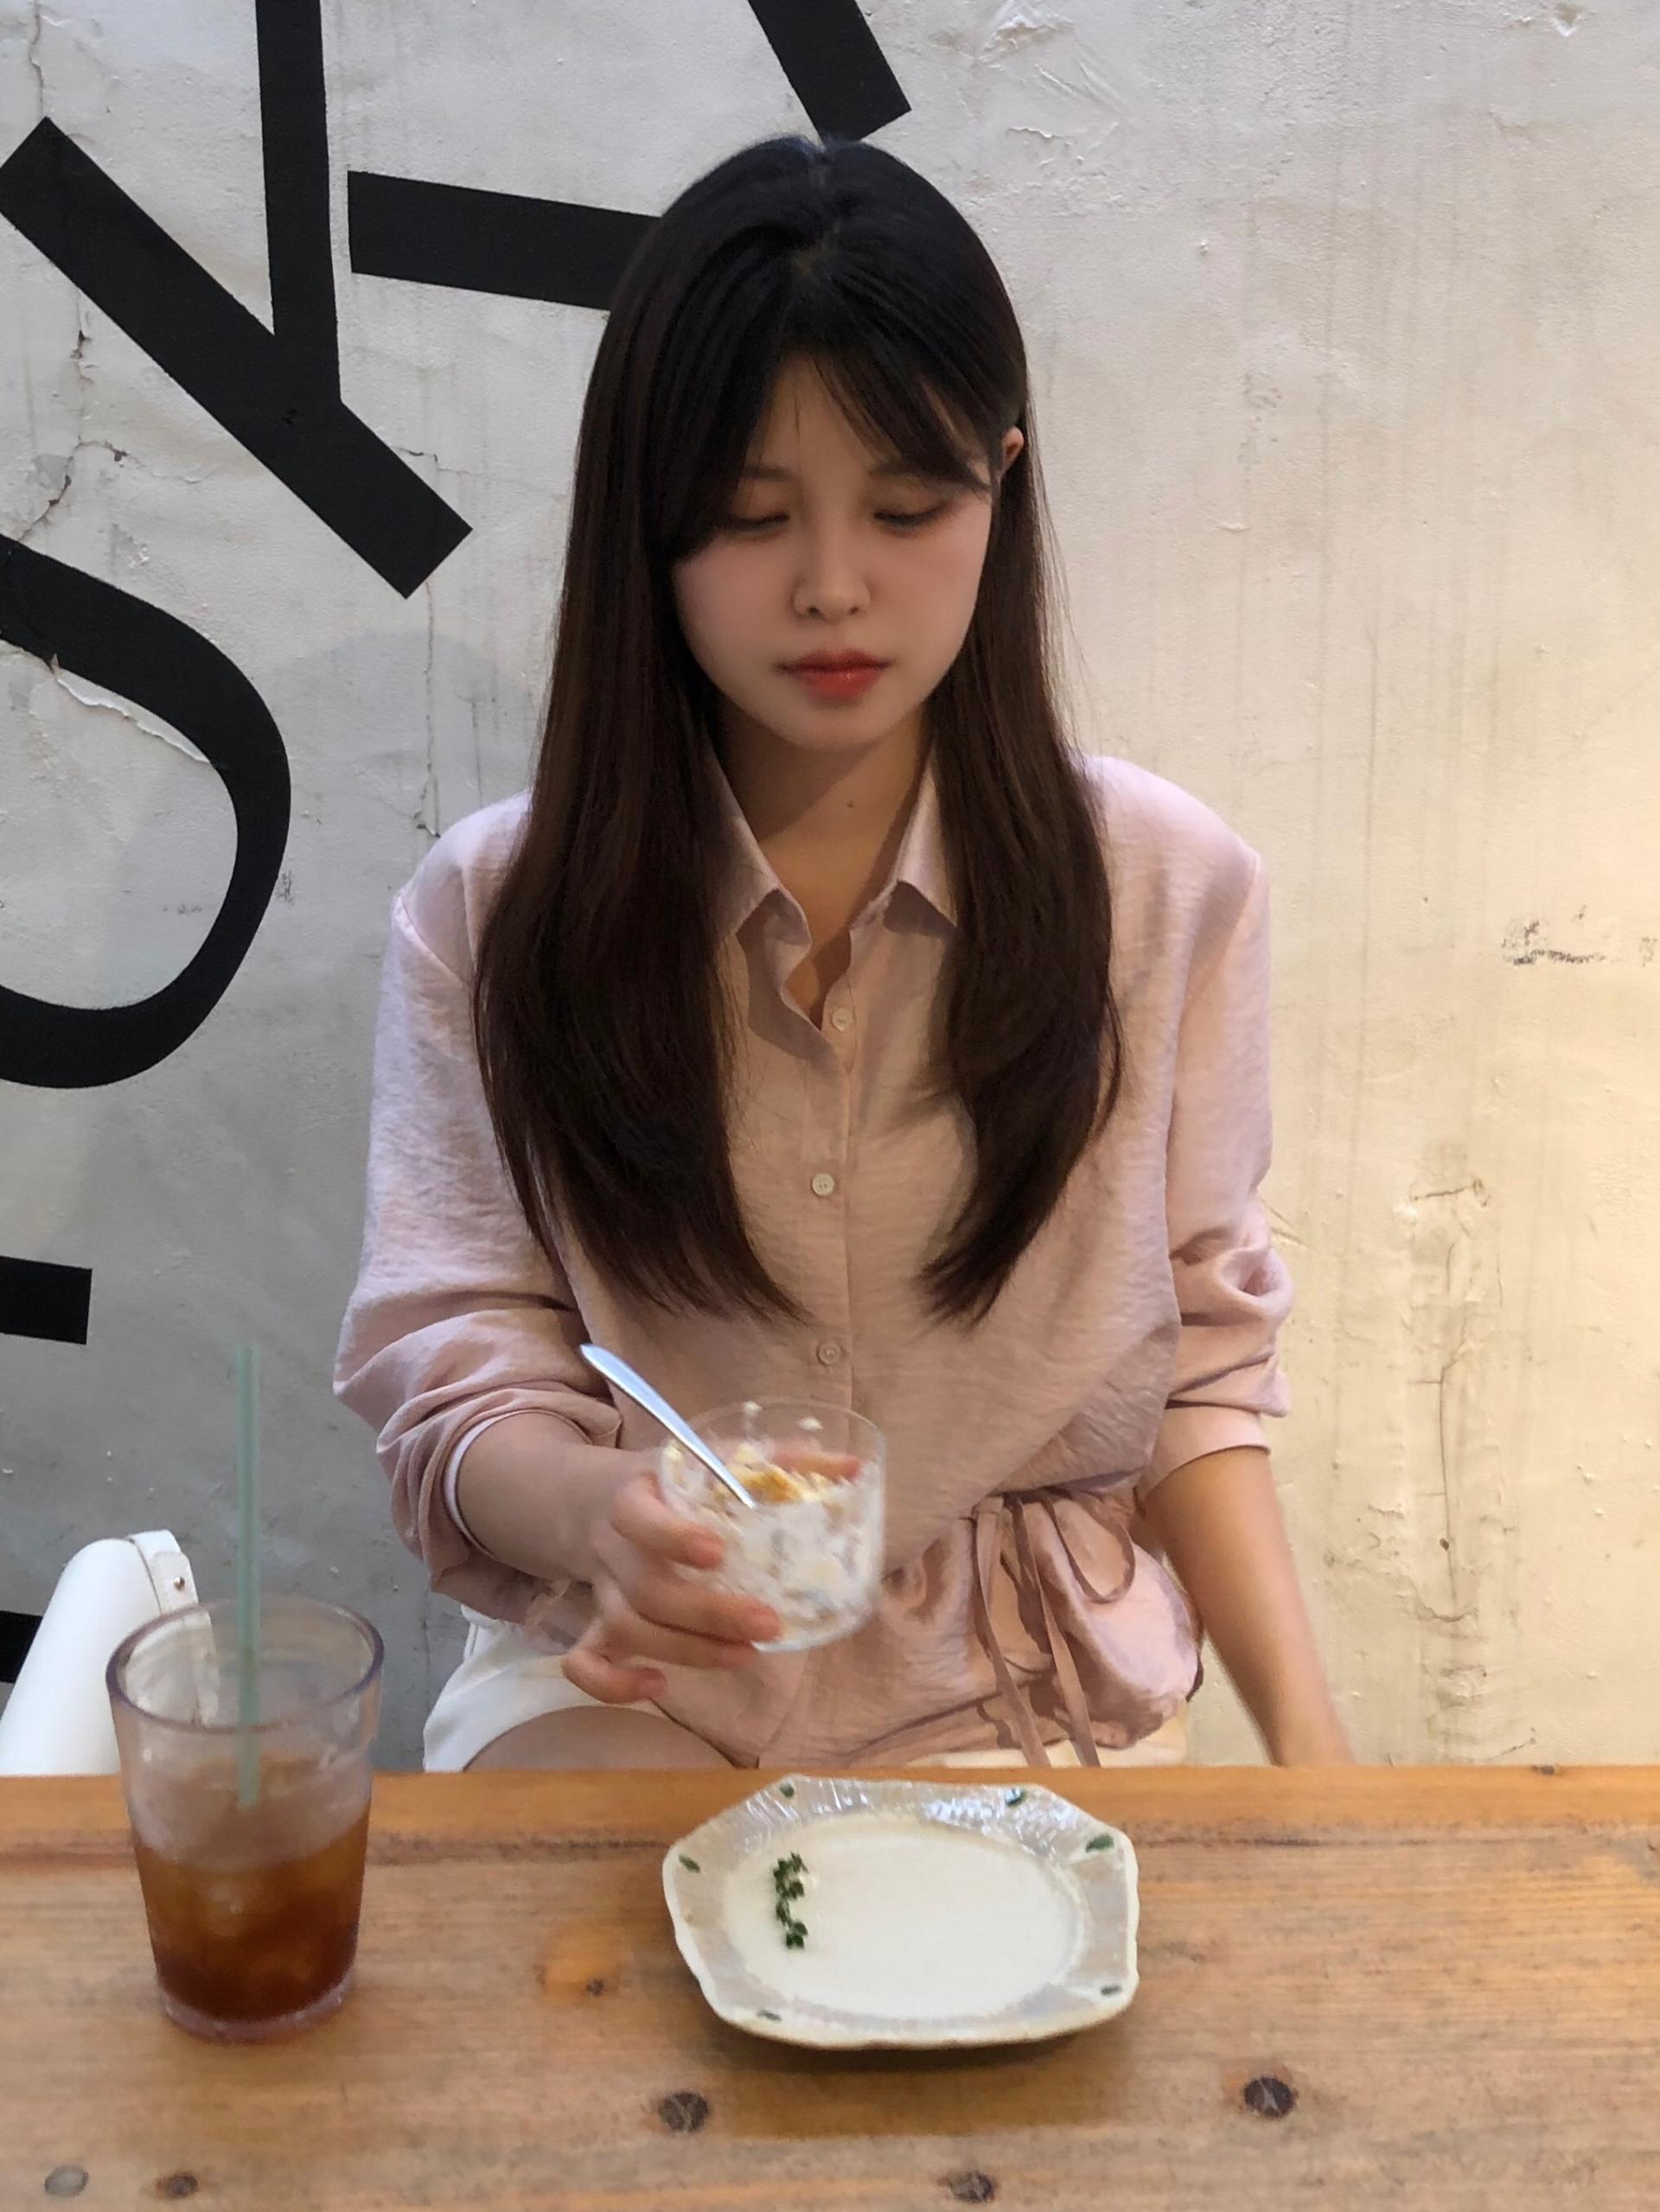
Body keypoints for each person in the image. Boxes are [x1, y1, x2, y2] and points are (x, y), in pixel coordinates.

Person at [335, 135, 1353, 1774]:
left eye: (905, 507)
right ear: (650, 526)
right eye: (750, 517)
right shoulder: (497, 913)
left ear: (1000, 484)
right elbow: (457, 1360)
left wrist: (1321, 1760)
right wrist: (598, 1511)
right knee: (599, 1941)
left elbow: (1201, 1369)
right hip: (644, 1668)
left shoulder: (1164, 893)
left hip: (1019, 1681)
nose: (830, 588)